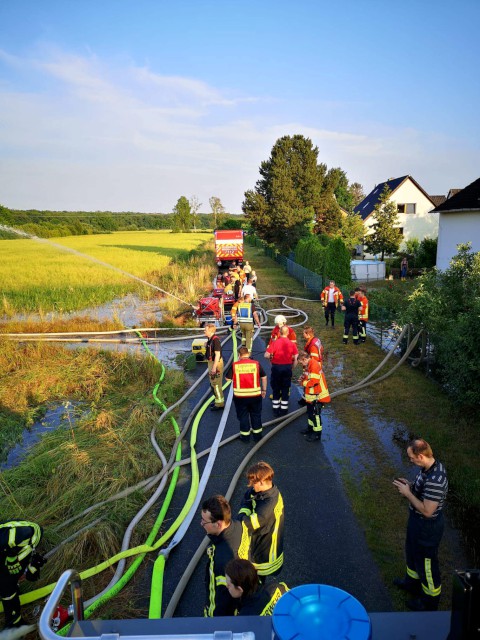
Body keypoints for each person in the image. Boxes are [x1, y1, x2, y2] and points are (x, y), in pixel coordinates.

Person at [393, 439, 448, 612]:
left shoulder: (436, 479)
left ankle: (429, 602)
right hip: (417, 523)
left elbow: (427, 511)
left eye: (411, 457)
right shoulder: (426, 468)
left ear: (421, 456)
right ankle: (412, 585)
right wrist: (409, 485)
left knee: (427, 564)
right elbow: (422, 491)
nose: (410, 460)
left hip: (427, 527)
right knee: (412, 553)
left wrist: (408, 494)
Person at [201, 496, 250, 617]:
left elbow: (219, 598)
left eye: (204, 521)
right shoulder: (239, 526)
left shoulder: (221, 561)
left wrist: (211, 617)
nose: (201, 523)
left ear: (217, 524)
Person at [237, 461, 285, 578]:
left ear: (262, 482)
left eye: (253, 483)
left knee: (258, 580)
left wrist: (236, 521)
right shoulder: (264, 492)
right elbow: (247, 499)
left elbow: (250, 524)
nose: (250, 485)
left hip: (266, 554)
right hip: (262, 541)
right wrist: (244, 512)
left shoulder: (269, 504)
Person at [0, 520, 46, 631]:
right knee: (6, 582)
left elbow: (29, 531)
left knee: (7, 582)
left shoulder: (6, 537)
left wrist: (14, 558)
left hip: (29, 539)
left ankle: (15, 624)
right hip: (10, 548)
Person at [225, 346, 267, 442]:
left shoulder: (235, 365)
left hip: (240, 397)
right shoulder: (256, 364)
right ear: (248, 354)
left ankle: (245, 437)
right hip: (255, 395)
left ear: (239, 355)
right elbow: (264, 377)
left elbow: (227, 379)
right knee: (256, 415)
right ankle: (257, 437)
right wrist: (264, 390)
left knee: (243, 416)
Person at [264, 325, 298, 416]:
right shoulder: (291, 344)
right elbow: (296, 358)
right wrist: (292, 367)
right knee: (285, 388)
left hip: (276, 368)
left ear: (280, 332)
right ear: (287, 333)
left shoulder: (275, 343)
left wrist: (271, 358)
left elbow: (266, 355)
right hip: (287, 368)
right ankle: (284, 409)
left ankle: (275, 409)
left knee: (276, 388)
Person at [298, 351, 331, 441]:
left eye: (301, 362)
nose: (301, 364)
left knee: (316, 415)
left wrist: (303, 383)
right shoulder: (308, 365)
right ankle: (310, 429)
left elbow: (314, 382)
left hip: (318, 396)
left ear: (304, 359)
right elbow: (307, 375)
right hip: (311, 396)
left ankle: (317, 435)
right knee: (310, 413)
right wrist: (302, 377)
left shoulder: (314, 365)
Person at [204, 323, 224, 412]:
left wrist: (214, 368)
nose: (204, 331)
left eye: (206, 330)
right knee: (212, 383)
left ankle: (220, 404)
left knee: (216, 384)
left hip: (216, 364)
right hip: (211, 363)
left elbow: (217, 355)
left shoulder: (215, 341)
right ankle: (217, 400)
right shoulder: (210, 339)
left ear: (211, 331)